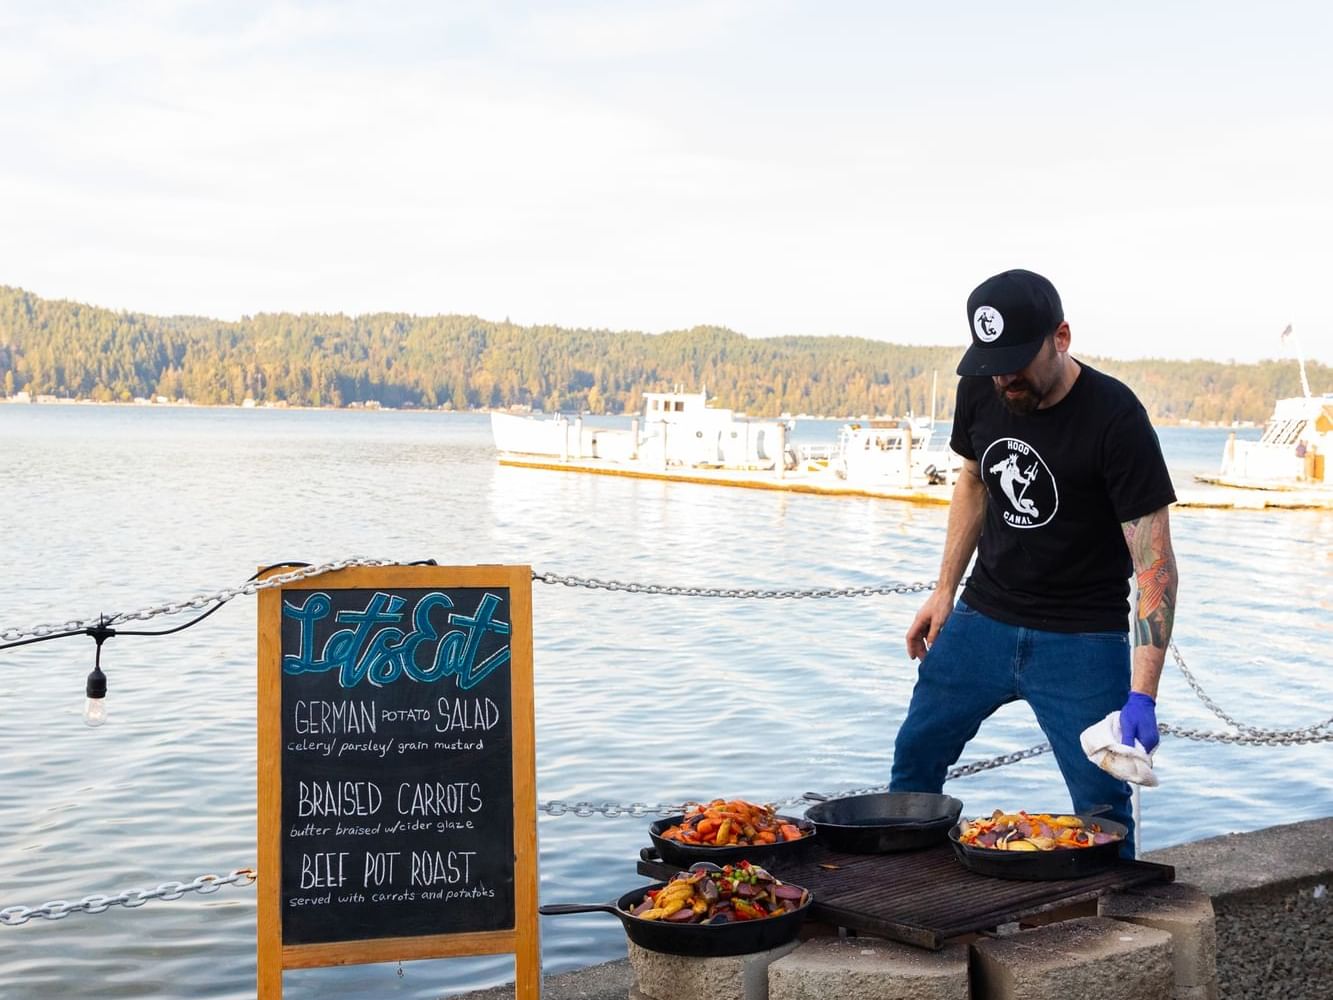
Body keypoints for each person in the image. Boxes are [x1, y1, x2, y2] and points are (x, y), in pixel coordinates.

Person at [890, 268, 1178, 856]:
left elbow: (1154, 565)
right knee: (915, 759)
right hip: (983, 615)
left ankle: (1114, 934)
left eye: (1018, 359)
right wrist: (944, 590)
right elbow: (972, 479)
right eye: (993, 359)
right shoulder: (983, 385)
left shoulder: (1116, 417)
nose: (1004, 376)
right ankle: (905, 896)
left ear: (1062, 337)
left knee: (1102, 807)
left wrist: (1143, 695)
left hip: (1081, 636)